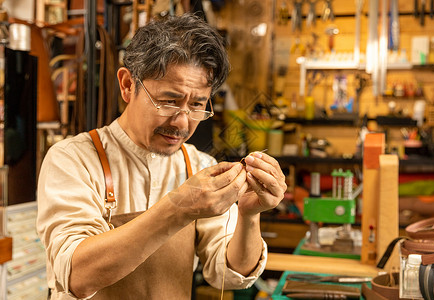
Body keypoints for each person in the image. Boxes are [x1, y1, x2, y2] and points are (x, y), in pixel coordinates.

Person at [37, 14, 287, 299]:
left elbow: (228, 273)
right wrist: (179, 208)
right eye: (168, 101)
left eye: (197, 104)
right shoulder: (73, 159)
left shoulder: (199, 165)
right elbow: (76, 275)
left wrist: (249, 215)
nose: (182, 122)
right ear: (128, 85)